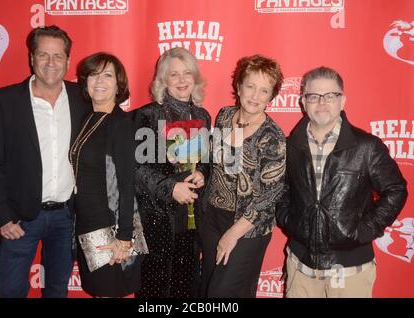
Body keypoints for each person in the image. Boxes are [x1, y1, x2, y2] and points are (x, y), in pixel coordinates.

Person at [0, 25, 90, 298]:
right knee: (12, 291)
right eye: (43, 55)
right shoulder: (2, 102)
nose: (51, 63)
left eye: (58, 56)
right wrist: (3, 217)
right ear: (31, 58)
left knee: (57, 290)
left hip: (67, 216)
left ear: (67, 60)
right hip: (20, 218)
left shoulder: (82, 99)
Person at [276, 66, 408, 298]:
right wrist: (290, 221)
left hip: (350, 271)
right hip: (300, 266)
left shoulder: (367, 147)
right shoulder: (289, 147)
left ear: (342, 100)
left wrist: (366, 229)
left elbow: (395, 189)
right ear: (303, 102)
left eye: (330, 96)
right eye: (314, 96)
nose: (322, 103)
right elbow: (282, 189)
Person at [200, 54, 286, 298]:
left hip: (248, 227)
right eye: (250, 86)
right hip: (213, 217)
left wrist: (232, 235)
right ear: (239, 86)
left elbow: (268, 199)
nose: (255, 96)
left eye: (264, 90)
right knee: (207, 287)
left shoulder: (272, 138)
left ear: (271, 96)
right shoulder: (224, 116)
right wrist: (200, 174)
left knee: (223, 293)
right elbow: (214, 163)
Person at [133, 47, 211, 298]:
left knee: (186, 288)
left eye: (187, 73)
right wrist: (171, 188)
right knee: (155, 290)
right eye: (174, 74)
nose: (181, 80)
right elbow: (136, 168)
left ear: (195, 77)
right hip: (158, 220)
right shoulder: (147, 115)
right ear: (163, 80)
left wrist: (202, 173)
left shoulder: (202, 116)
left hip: (192, 220)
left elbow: (207, 161)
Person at [72, 52, 147, 297]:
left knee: (108, 291)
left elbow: (127, 185)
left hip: (110, 227)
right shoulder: (86, 118)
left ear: (118, 84)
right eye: (94, 74)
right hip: (86, 223)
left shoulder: (120, 123)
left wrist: (124, 238)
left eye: (107, 75)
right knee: (98, 291)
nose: (99, 80)